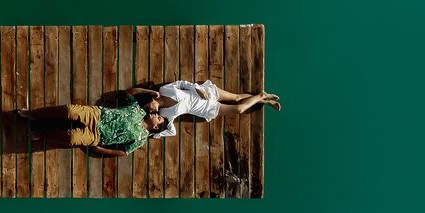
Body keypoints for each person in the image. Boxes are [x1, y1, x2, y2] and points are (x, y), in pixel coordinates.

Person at [17, 95, 167, 157]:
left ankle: (43, 134)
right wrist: (149, 93)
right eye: (158, 114)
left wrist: (101, 149)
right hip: (96, 115)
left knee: (72, 138)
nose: (155, 114)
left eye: (158, 118)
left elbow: (123, 152)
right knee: (69, 110)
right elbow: (128, 93)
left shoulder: (141, 138)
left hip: (98, 136)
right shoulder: (139, 110)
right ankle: (33, 114)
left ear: (155, 128)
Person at [127, 80, 280, 139]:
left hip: (205, 93)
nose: (151, 110)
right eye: (148, 110)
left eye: (148, 106)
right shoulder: (164, 114)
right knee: (239, 109)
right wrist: (154, 135)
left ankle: (264, 100)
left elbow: (182, 83)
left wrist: (198, 88)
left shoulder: (164, 89)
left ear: (151, 99)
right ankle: (261, 96)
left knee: (238, 98)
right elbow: (172, 131)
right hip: (206, 108)